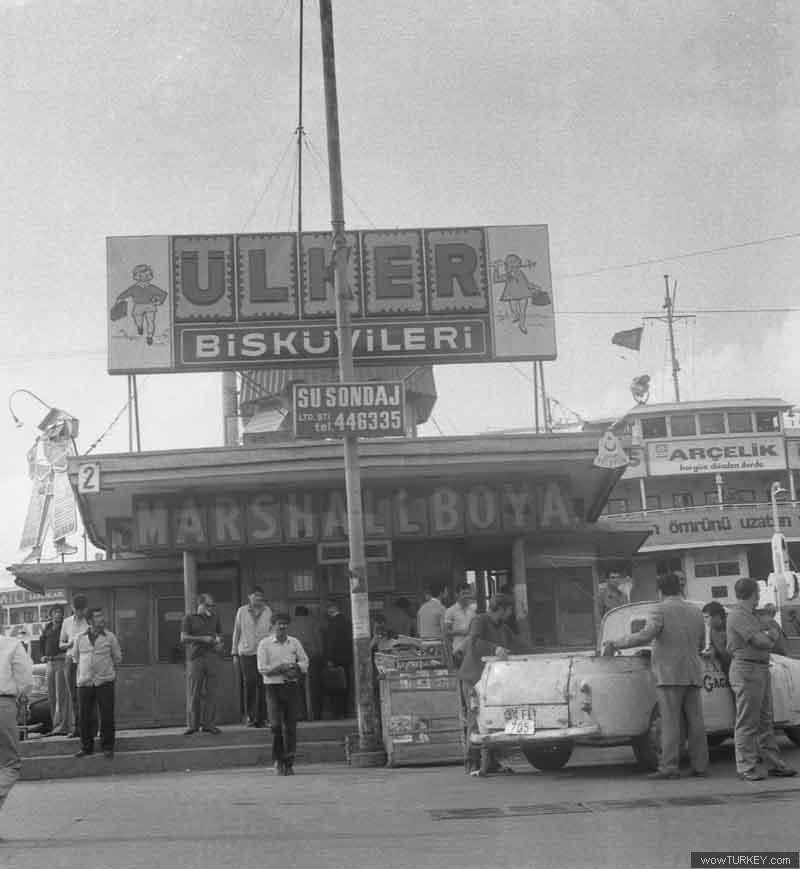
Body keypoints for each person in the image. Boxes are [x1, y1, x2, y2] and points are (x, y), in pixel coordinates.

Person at [602, 572, 708, 780]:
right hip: (693, 672)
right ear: (680, 588)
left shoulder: (659, 610)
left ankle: (669, 767)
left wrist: (616, 643)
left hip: (669, 674)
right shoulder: (696, 612)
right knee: (696, 722)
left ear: (660, 590)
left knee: (670, 723)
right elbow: (701, 644)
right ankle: (700, 766)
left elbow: (646, 635)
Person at [726, 578, 797, 782]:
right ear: (753, 593)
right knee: (748, 720)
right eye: (757, 592)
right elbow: (762, 641)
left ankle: (773, 763)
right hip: (746, 668)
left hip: (759, 668)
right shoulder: (739, 615)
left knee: (765, 720)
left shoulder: (749, 615)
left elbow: (764, 632)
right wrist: (772, 633)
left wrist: (768, 627)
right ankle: (745, 766)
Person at [458, 593, 527, 776]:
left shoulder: (503, 629)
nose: (511, 614)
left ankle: (491, 762)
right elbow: (474, 642)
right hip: (474, 679)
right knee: (475, 720)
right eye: (510, 610)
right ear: (502, 609)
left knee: (495, 720)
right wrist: (494, 649)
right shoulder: (479, 621)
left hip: (492, 682)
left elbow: (519, 645)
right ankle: (472, 762)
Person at [257, 613, 309, 776]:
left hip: (291, 687)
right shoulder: (265, 644)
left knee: (291, 726)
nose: (282, 627)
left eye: (285, 624)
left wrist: (293, 667)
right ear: (273, 626)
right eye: (279, 624)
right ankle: (278, 760)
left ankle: (289, 762)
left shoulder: (294, 642)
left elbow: (305, 662)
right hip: (273, 688)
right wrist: (279, 668)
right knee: (275, 726)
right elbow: (262, 669)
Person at [73, 607, 122, 759]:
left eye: (102, 616)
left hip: (105, 681)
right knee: (84, 716)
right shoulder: (80, 638)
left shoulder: (110, 637)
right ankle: (86, 747)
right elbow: (76, 658)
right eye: (98, 617)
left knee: (107, 715)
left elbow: (117, 658)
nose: (101, 619)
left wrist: (107, 672)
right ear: (90, 621)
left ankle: (107, 747)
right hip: (85, 682)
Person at [0, 632, 34, 826]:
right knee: (10, 765)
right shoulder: (11, 645)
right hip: (3, 704)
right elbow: (26, 679)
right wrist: (23, 697)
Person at [181, 594, 224, 736]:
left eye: (212, 606)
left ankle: (209, 724)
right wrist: (202, 638)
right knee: (194, 692)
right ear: (200, 604)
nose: (210, 608)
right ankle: (193, 725)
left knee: (212, 692)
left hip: (212, 657)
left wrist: (219, 643)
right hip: (196, 658)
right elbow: (184, 638)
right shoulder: (189, 618)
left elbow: (219, 635)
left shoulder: (215, 618)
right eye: (208, 605)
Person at [231, 586, 273, 728]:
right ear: (249, 596)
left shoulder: (267, 610)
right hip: (246, 652)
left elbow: (271, 631)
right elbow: (237, 631)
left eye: (261, 596)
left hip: (263, 653)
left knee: (263, 684)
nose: (258, 599)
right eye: (255, 596)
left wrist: (272, 651)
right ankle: (250, 716)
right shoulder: (242, 611)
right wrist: (234, 653)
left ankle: (263, 718)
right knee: (250, 682)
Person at [59, 594, 89, 738]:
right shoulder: (67, 622)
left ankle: (89, 728)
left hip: (85, 660)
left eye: (81, 610)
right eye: (76, 610)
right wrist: (69, 644)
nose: (79, 613)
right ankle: (77, 728)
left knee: (87, 695)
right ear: (72, 608)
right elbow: (61, 644)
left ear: (85, 609)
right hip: (70, 660)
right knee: (74, 696)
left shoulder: (89, 622)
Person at [39, 604, 72, 736]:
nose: (58, 614)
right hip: (49, 663)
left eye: (60, 612)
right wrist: (42, 656)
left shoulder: (65, 626)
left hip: (61, 662)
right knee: (51, 696)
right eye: (55, 612)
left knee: (62, 695)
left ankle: (64, 725)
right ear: (51, 614)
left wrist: (62, 656)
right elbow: (41, 643)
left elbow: (69, 646)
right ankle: (55, 725)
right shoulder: (47, 627)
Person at [322, 601, 352, 719]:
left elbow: (331, 642)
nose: (327, 610)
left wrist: (328, 658)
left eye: (328, 607)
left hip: (335, 659)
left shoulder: (333, 623)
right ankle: (345, 711)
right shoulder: (347, 621)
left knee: (335, 687)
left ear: (334, 608)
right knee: (345, 685)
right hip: (346, 658)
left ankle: (338, 712)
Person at [292, 605, 323, 720]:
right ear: (307, 613)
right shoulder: (314, 622)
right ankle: (315, 714)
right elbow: (319, 639)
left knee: (298, 687)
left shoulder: (291, 624)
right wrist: (321, 653)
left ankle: (302, 714)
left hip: (297, 658)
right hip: (313, 657)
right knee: (314, 686)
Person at [444, 583, 477, 668]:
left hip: (472, 650)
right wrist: (462, 632)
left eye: (468, 594)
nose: (466, 596)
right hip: (458, 651)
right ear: (457, 595)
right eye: (463, 594)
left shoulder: (472, 610)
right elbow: (446, 632)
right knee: (460, 677)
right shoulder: (450, 611)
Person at [701, 601, 731, 675]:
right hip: (725, 669)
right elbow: (713, 646)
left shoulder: (731, 627)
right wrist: (711, 651)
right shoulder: (712, 630)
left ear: (717, 616)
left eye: (707, 617)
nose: (704, 620)